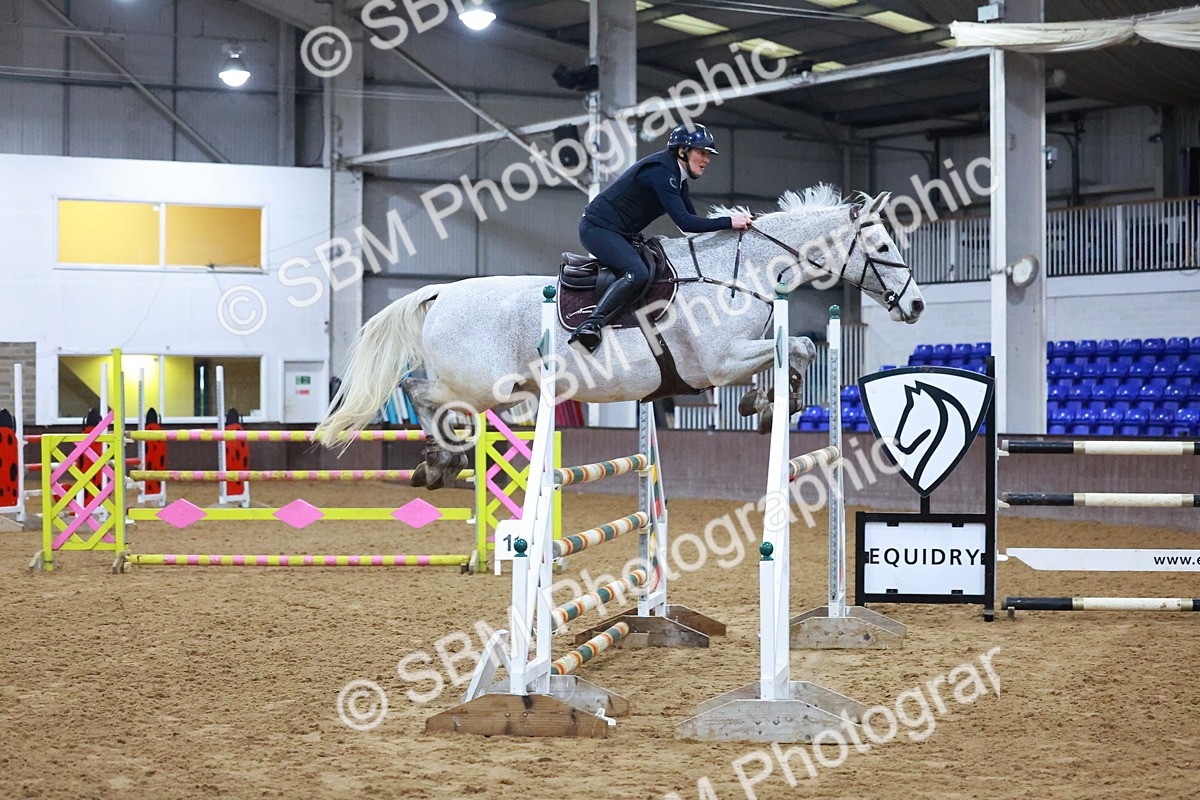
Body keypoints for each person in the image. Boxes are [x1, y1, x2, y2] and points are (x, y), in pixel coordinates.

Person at [570, 123, 753, 352]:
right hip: (597, 229)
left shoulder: (678, 178)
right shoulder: (663, 172)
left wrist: (729, 229)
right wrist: (729, 222)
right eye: (702, 153)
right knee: (637, 272)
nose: (707, 160)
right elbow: (686, 223)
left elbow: (691, 227)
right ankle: (591, 325)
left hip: (621, 233)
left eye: (708, 155)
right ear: (682, 151)